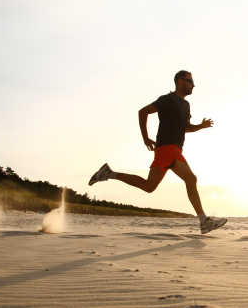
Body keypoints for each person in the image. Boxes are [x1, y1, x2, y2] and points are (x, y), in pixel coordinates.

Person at [89, 70, 227, 235]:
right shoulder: (168, 99)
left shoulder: (185, 105)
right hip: (167, 148)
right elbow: (143, 112)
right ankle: (204, 221)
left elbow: (185, 128)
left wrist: (200, 126)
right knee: (191, 179)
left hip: (173, 149)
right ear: (179, 81)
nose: (193, 85)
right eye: (190, 81)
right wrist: (146, 138)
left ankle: (109, 173)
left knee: (149, 186)